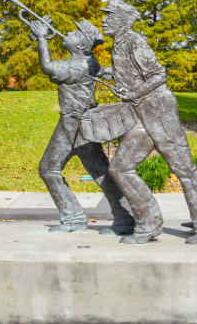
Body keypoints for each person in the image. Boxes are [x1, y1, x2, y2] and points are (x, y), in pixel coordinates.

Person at [99, 0, 197, 244]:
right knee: (120, 168)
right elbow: (130, 74)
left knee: (183, 169)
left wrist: (133, 93)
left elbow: (157, 75)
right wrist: (107, 73)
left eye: (109, 15)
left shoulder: (134, 41)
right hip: (142, 113)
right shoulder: (119, 43)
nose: (104, 19)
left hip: (158, 110)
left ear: (122, 20)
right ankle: (149, 223)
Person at [29, 16, 135, 234]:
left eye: (74, 33)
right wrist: (41, 39)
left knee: (56, 169)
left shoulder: (81, 64)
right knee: (89, 171)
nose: (67, 33)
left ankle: (94, 218)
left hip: (77, 124)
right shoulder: (81, 61)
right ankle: (109, 218)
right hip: (72, 123)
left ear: (80, 45)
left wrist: (42, 38)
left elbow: (47, 67)